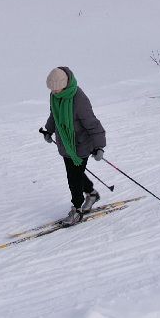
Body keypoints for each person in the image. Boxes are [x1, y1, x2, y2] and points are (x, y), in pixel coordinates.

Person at [38, 66, 106, 226]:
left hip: (81, 146)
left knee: (73, 178)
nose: (54, 92)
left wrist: (99, 147)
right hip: (66, 145)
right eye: (52, 89)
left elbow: (93, 124)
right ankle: (92, 193)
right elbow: (54, 115)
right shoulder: (55, 96)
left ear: (65, 84)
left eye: (56, 89)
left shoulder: (79, 99)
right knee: (76, 173)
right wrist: (49, 130)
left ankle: (77, 209)